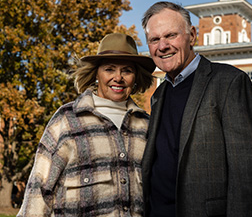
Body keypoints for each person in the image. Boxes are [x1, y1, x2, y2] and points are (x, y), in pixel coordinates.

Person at [141, 1, 252, 217]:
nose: (162, 46)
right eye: (154, 39)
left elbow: (247, 176)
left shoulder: (229, 82)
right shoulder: (158, 95)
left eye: (171, 35)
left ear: (192, 35)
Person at [17, 33, 156, 217]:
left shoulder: (146, 126)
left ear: (136, 76)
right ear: (96, 74)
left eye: (127, 71)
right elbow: (39, 187)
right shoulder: (67, 120)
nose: (118, 77)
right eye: (109, 69)